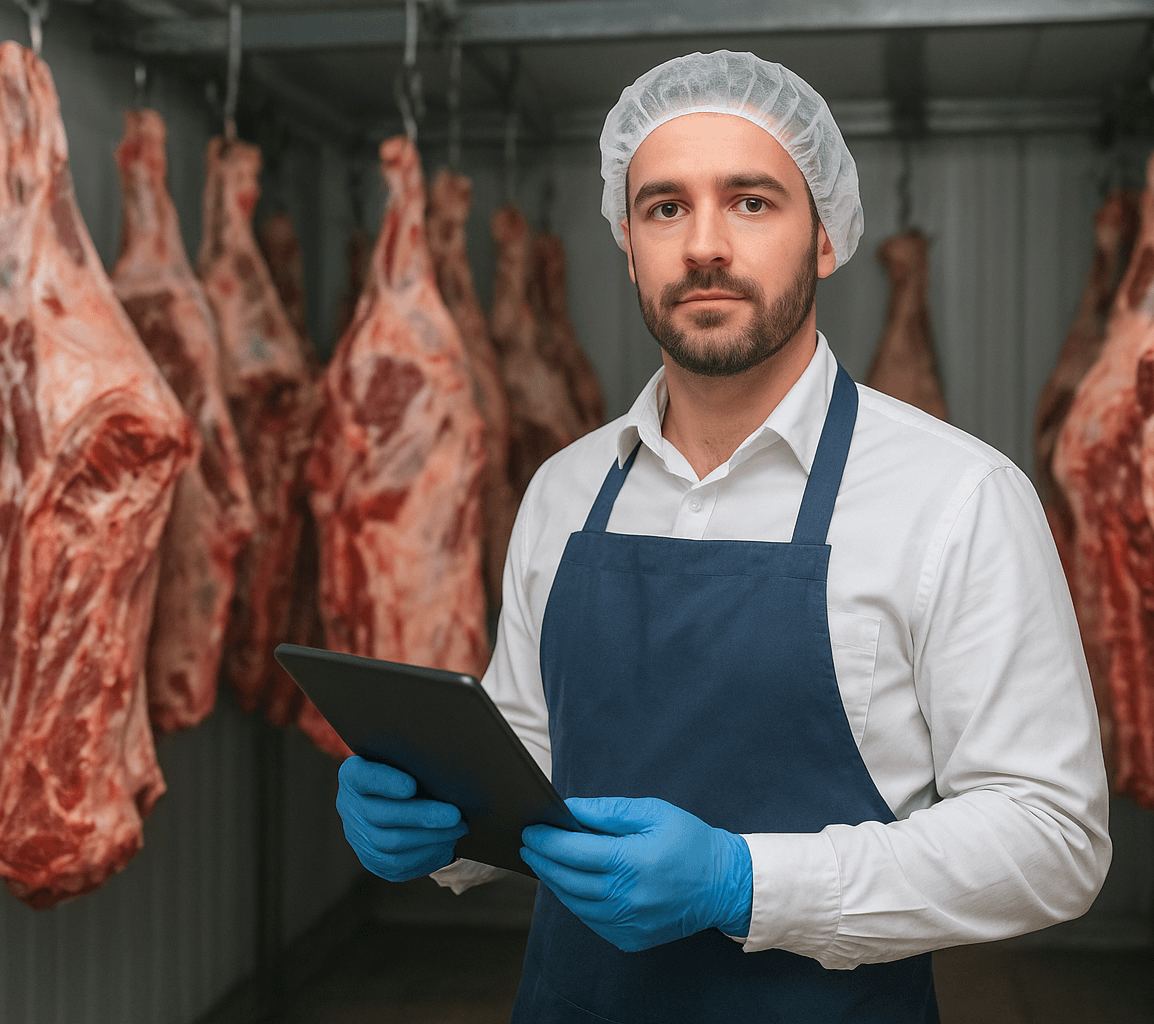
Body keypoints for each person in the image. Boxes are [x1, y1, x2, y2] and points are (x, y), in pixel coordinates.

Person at [335, 51, 1110, 1023]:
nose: (704, 244)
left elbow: (1052, 837)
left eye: (751, 202)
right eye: (664, 207)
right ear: (626, 245)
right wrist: (433, 821)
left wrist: (744, 882)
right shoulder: (565, 491)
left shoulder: (956, 496)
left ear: (825, 236)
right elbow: (532, 745)